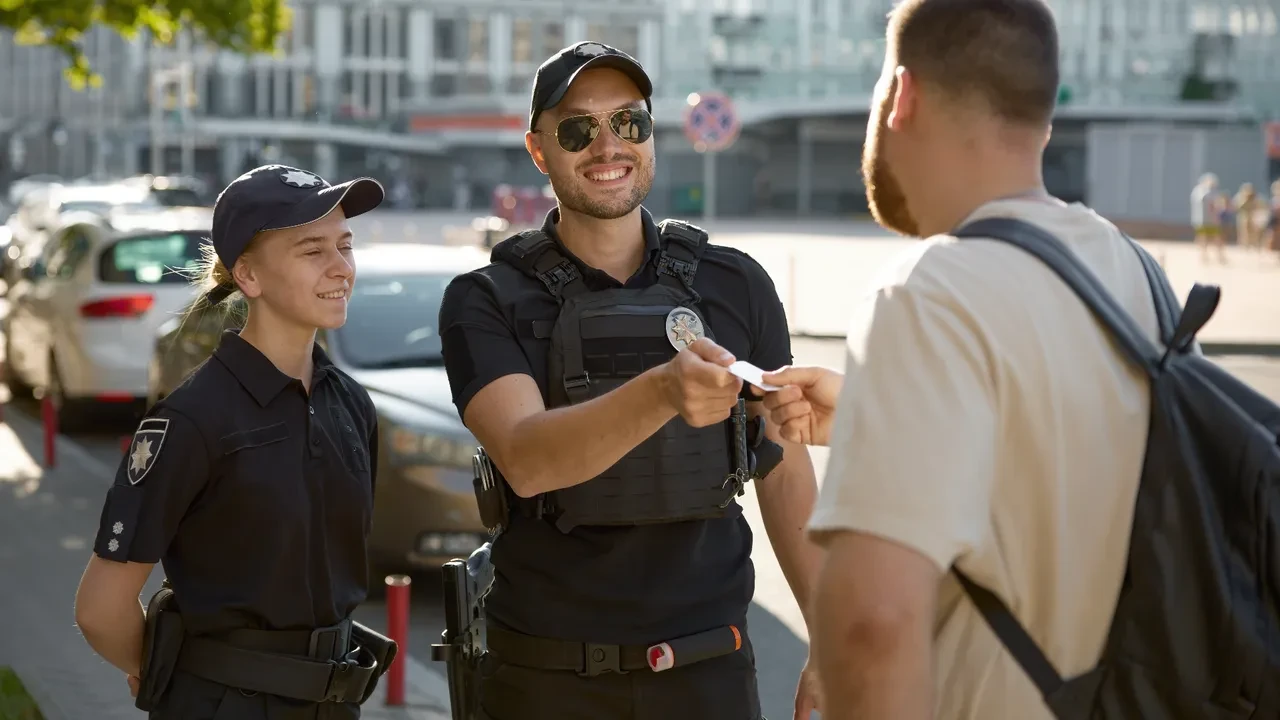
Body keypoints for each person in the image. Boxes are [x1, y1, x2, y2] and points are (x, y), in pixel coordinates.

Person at [758, 0, 1180, 717]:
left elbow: (872, 627)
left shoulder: (924, 297)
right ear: (1040, 116)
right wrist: (874, 409)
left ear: (903, 95)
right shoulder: (1136, 275)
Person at [437, 41, 823, 720]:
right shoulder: (487, 298)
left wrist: (831, 638)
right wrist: (661, 392)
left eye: (630, 123)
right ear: (538, 151)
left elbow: (782, 467)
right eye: (578, 129)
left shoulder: (735, 283)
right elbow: (526, 460)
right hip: (547, 679)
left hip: (709, 672)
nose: (608, 145)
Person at [74, 164, 394, 719]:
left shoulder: (350, 404)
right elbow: (101, 609)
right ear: (248, 275)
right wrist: (169, 677)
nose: (341, 267)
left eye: (345, 245)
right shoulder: (193, 419)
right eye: (312, 250)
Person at [1191, 173, 1226, 263]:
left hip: (1200, 220)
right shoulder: (1209, 192)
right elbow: (1214, 205)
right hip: (1210, 220)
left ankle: (1205, 256)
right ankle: (1218, 256)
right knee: (1214, 238)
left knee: (1203, 238)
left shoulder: (1196, 191)